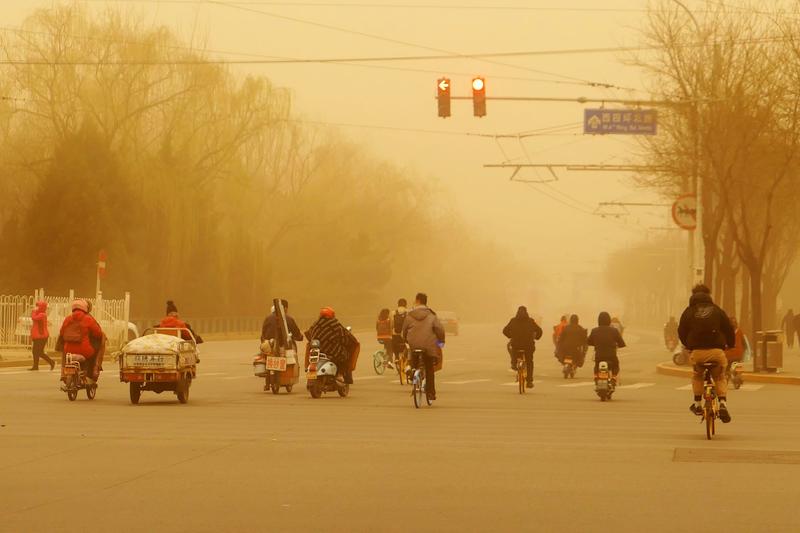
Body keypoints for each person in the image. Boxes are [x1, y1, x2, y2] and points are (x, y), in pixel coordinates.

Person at [678, 284, 735, 423]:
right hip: (716, 352)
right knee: (720, 376)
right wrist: (730, 344)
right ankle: (722, 404)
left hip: (697, 352)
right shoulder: (717, 310)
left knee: (697, 376)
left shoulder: (688, 311)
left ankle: (697, 404)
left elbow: (681, 330)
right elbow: (728, 329)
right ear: (709, 295)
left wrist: (688, 345)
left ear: (693, 295)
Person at [402, 293, 445, 401]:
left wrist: (406, 340)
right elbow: (440, 330)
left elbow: (404, 331)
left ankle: (412, 372)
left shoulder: (410, 315)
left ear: (417, 300)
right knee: (429, 368)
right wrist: (441, 342)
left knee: (413, 360)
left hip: (413, 345)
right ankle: (430, 393)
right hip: (428, 347)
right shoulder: (432, 315)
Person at [305, 307, 358, 384]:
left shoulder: (315, 324)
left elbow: (308, 335)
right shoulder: (335, 324)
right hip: (331, 351)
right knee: (345, 355)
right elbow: (344, 337)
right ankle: (340, 374)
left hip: (317, 351)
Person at [58, 299, 104, 383]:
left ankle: (64, 374)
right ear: (85, 308)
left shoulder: (67, 319)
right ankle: (89, 376)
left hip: (68, 349)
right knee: (92, 355)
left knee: (65, 354)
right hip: (84, 350)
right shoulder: (88, 319)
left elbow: (61, 332)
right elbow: (98, 333)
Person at [502, 306, 543, 388]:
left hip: (516, 346)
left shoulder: (513, 320)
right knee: (529, 362)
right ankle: (529, 381)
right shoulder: (530, 321)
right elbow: (539, 331)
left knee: (515, 356)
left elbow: (504, 330)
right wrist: (536, 337)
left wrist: (511, 336)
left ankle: (515, 364)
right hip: (528, 346)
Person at [587, 312, 626, 384]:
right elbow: (622, 343)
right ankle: (614, 378)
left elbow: (588, 342)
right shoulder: (614, 331)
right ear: (609, 321)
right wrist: (618, 345)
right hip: (611, 356)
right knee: (616, 365)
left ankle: (596, 376)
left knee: (597, 364)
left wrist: (596, 344)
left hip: (599, 356)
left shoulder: (594, 330)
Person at [29, 300, 55, 371]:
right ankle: (36, 366)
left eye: (38, 306)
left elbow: (34, 318)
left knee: (38, 352)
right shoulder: (39, 314)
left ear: (41, 307)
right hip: (38, 336)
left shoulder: (42, 315)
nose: (36, 307)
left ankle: (51, 362)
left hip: (42, 336)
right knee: (36, 352)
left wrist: (34, 311)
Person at [389, 299, 409, 364]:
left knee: (394, 345)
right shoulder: (408, 312)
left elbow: (391, 324)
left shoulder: (393, 313)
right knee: (408, 346)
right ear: (405, 304)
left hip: (396, 334)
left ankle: (397, 357)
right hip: (406, 334)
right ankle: (407, 359)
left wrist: (392, 330)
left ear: (398, 304)